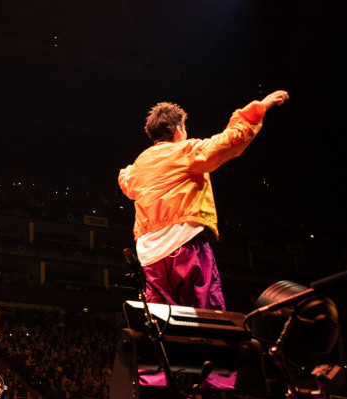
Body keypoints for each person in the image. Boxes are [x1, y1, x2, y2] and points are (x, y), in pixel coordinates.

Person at [119, 90, 289, 310]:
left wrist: (130, 170)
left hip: (150, 257)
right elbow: (230, 140)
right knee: (206, 315)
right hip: (185, 246)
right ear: (179, 130)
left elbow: (125, 179)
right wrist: (260, 107)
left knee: (163, 322)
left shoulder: (139, 166)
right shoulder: (185, 151)